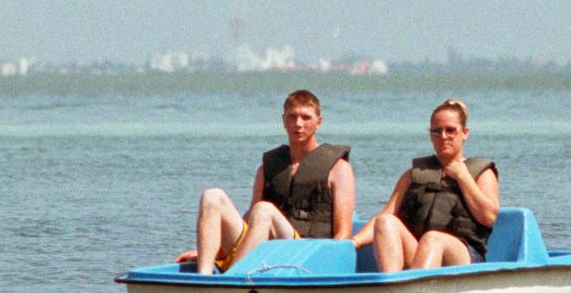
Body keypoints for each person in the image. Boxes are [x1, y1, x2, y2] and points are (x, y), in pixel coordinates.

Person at [175, 90, 355, 274]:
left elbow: (343, 235)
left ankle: (230, 280)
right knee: (212, 196)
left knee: (264, 209)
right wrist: (211, 250)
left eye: (306, 117)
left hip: (306, 254)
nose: (298, 124)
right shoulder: (267, 168)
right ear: (283, 120)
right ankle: (204, 277)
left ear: (318, 122)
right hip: (266, 248)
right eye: (292, 117)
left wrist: (328, 267)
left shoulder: (339, 169)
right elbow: (250, 225)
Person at [352, 99, 499, 272]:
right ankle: (392, 287)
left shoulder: (481, 173)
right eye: (437, 131)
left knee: (432, 238)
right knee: (385, 222)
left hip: (462, 256)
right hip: (420, 251)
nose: (443, 136)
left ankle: (416, 289)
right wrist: (353, 242)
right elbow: (384, 215)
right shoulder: (413, 175)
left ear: (465, 133)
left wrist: (462, 176)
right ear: (430, 135)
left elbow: (488, 217)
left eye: (450, 130)